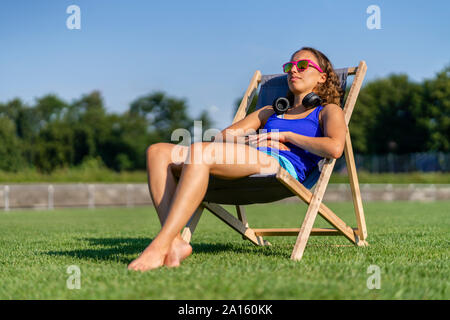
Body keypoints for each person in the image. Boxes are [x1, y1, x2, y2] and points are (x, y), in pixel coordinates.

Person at [127, 47, 347, 271]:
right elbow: (223, 137)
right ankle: (174, 243)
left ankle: (158, 246)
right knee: (158, 152)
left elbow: (335, 147)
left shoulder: (327, 111)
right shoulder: (270, 111)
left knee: (200, 151)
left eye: (302, 66)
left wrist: (286, 136)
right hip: (250, 157)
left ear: (322, 77)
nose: (293, 71)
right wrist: (256, 139)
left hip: (279, 166)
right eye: (290, 67)